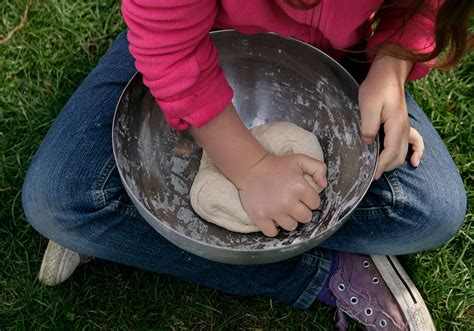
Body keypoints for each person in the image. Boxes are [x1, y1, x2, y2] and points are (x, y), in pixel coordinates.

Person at [22, 0, 471, 329]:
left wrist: (391, 65)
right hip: (182, 49)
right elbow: (168, 47)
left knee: (434, 210)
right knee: (59, 198)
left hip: (338, 59)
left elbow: (423, 6)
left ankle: (126, 230)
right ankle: (327, 271)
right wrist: (251, 167)